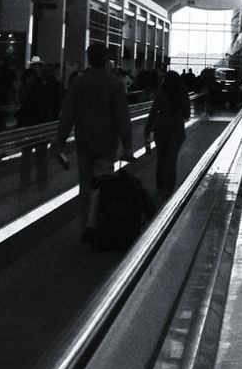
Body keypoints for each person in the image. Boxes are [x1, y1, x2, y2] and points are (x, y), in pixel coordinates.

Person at [55, 42, 134, 239]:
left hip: (85, 141)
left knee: (86, 185)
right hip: (107, 142)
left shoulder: (78, 83)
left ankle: (85, 226)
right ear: (106, 59)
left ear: (89, 58)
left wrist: (60, 142)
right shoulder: (115, 85)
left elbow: (67, 115)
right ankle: (98, 223)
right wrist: (128, 146)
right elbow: (122, 118)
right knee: (103, 183)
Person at [143, 70, 191, 199]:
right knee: (171, 160)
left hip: (161, 131)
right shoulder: (182, 95)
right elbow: (187, 114)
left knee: (161, 159)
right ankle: (168, 189)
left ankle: (159, 187)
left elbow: (152, 114)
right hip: (177, 132)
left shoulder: (161, 94)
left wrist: (147, 131)